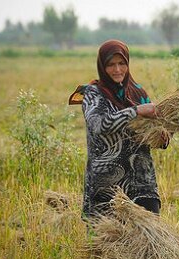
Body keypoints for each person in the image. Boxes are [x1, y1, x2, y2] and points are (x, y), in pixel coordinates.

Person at [69, 39, 168, 218]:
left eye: (122, 63)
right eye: (111, 65)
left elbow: (153, 137)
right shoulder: (93, 93)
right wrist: (136, 111)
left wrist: (162, 137)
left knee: (149, 241)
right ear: (102, 66)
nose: (117, 70)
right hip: (106, 186)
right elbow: (99, 124)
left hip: (141, 182)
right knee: (106, 242)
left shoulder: (138, 93)